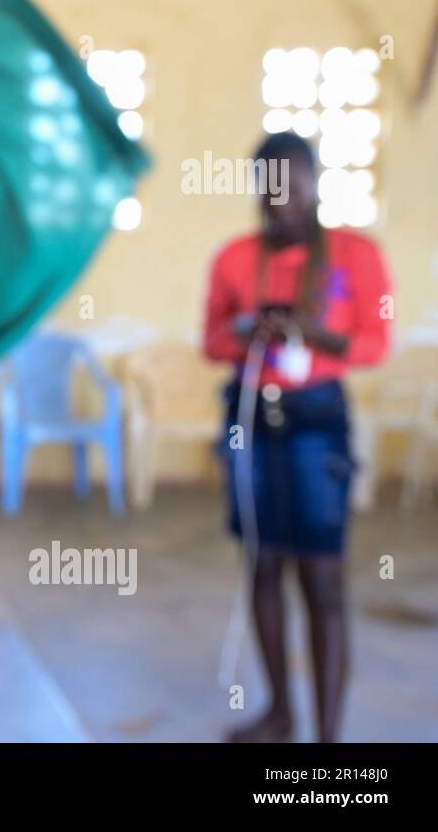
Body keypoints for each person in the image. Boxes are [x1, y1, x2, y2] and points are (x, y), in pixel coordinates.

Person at [203, 131, 392, 743]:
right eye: (270, 185)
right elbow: (211, 340)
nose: (281, 199)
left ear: (315, 183)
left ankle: (328, 740)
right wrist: (249, 331)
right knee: (263, 563)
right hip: (251, 416)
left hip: (317, 422)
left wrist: (315, 335)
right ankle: (280, 711)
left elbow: (374, 344)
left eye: (294, 183)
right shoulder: (235, 257)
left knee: (322, 577)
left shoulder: (356, 255)